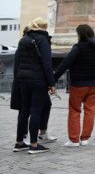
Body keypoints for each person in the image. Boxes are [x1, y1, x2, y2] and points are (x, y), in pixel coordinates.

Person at [53, 24, 95, 147]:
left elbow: (65, 64)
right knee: (90, 111)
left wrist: (54, 79)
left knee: (75, 111)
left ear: (80, 34)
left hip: (78, 84)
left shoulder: (78, 47)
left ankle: (74, 140)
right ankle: (85, 139)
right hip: (94, 84)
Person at [13, 18, 56, 154]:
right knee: (36, 111)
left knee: (24, 111)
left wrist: (17, 78)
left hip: (23, 79)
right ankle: (34, 144)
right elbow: (47, 63)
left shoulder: (24, 39)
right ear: (43, 27)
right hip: (38, 80)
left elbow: (17, 61)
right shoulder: (42, 40)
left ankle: (19, 142)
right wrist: (52, 83)